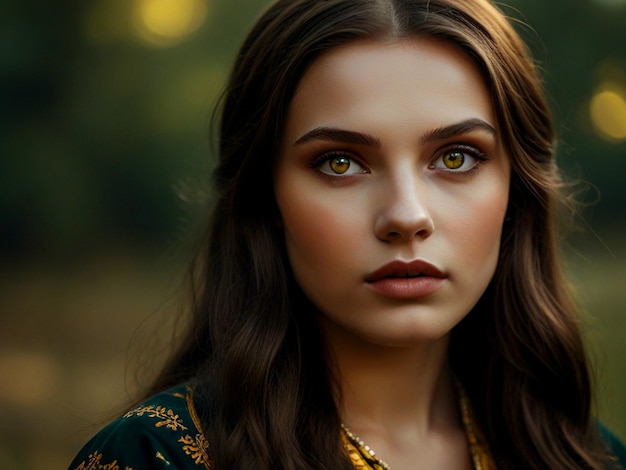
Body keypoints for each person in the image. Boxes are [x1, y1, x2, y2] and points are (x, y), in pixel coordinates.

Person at [68, 0, 626, 468]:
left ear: (516, 194)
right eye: (340, 163)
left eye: (456, 157)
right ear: (266, 198)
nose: (406, 216)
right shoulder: (154, 457)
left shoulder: (585, 456)